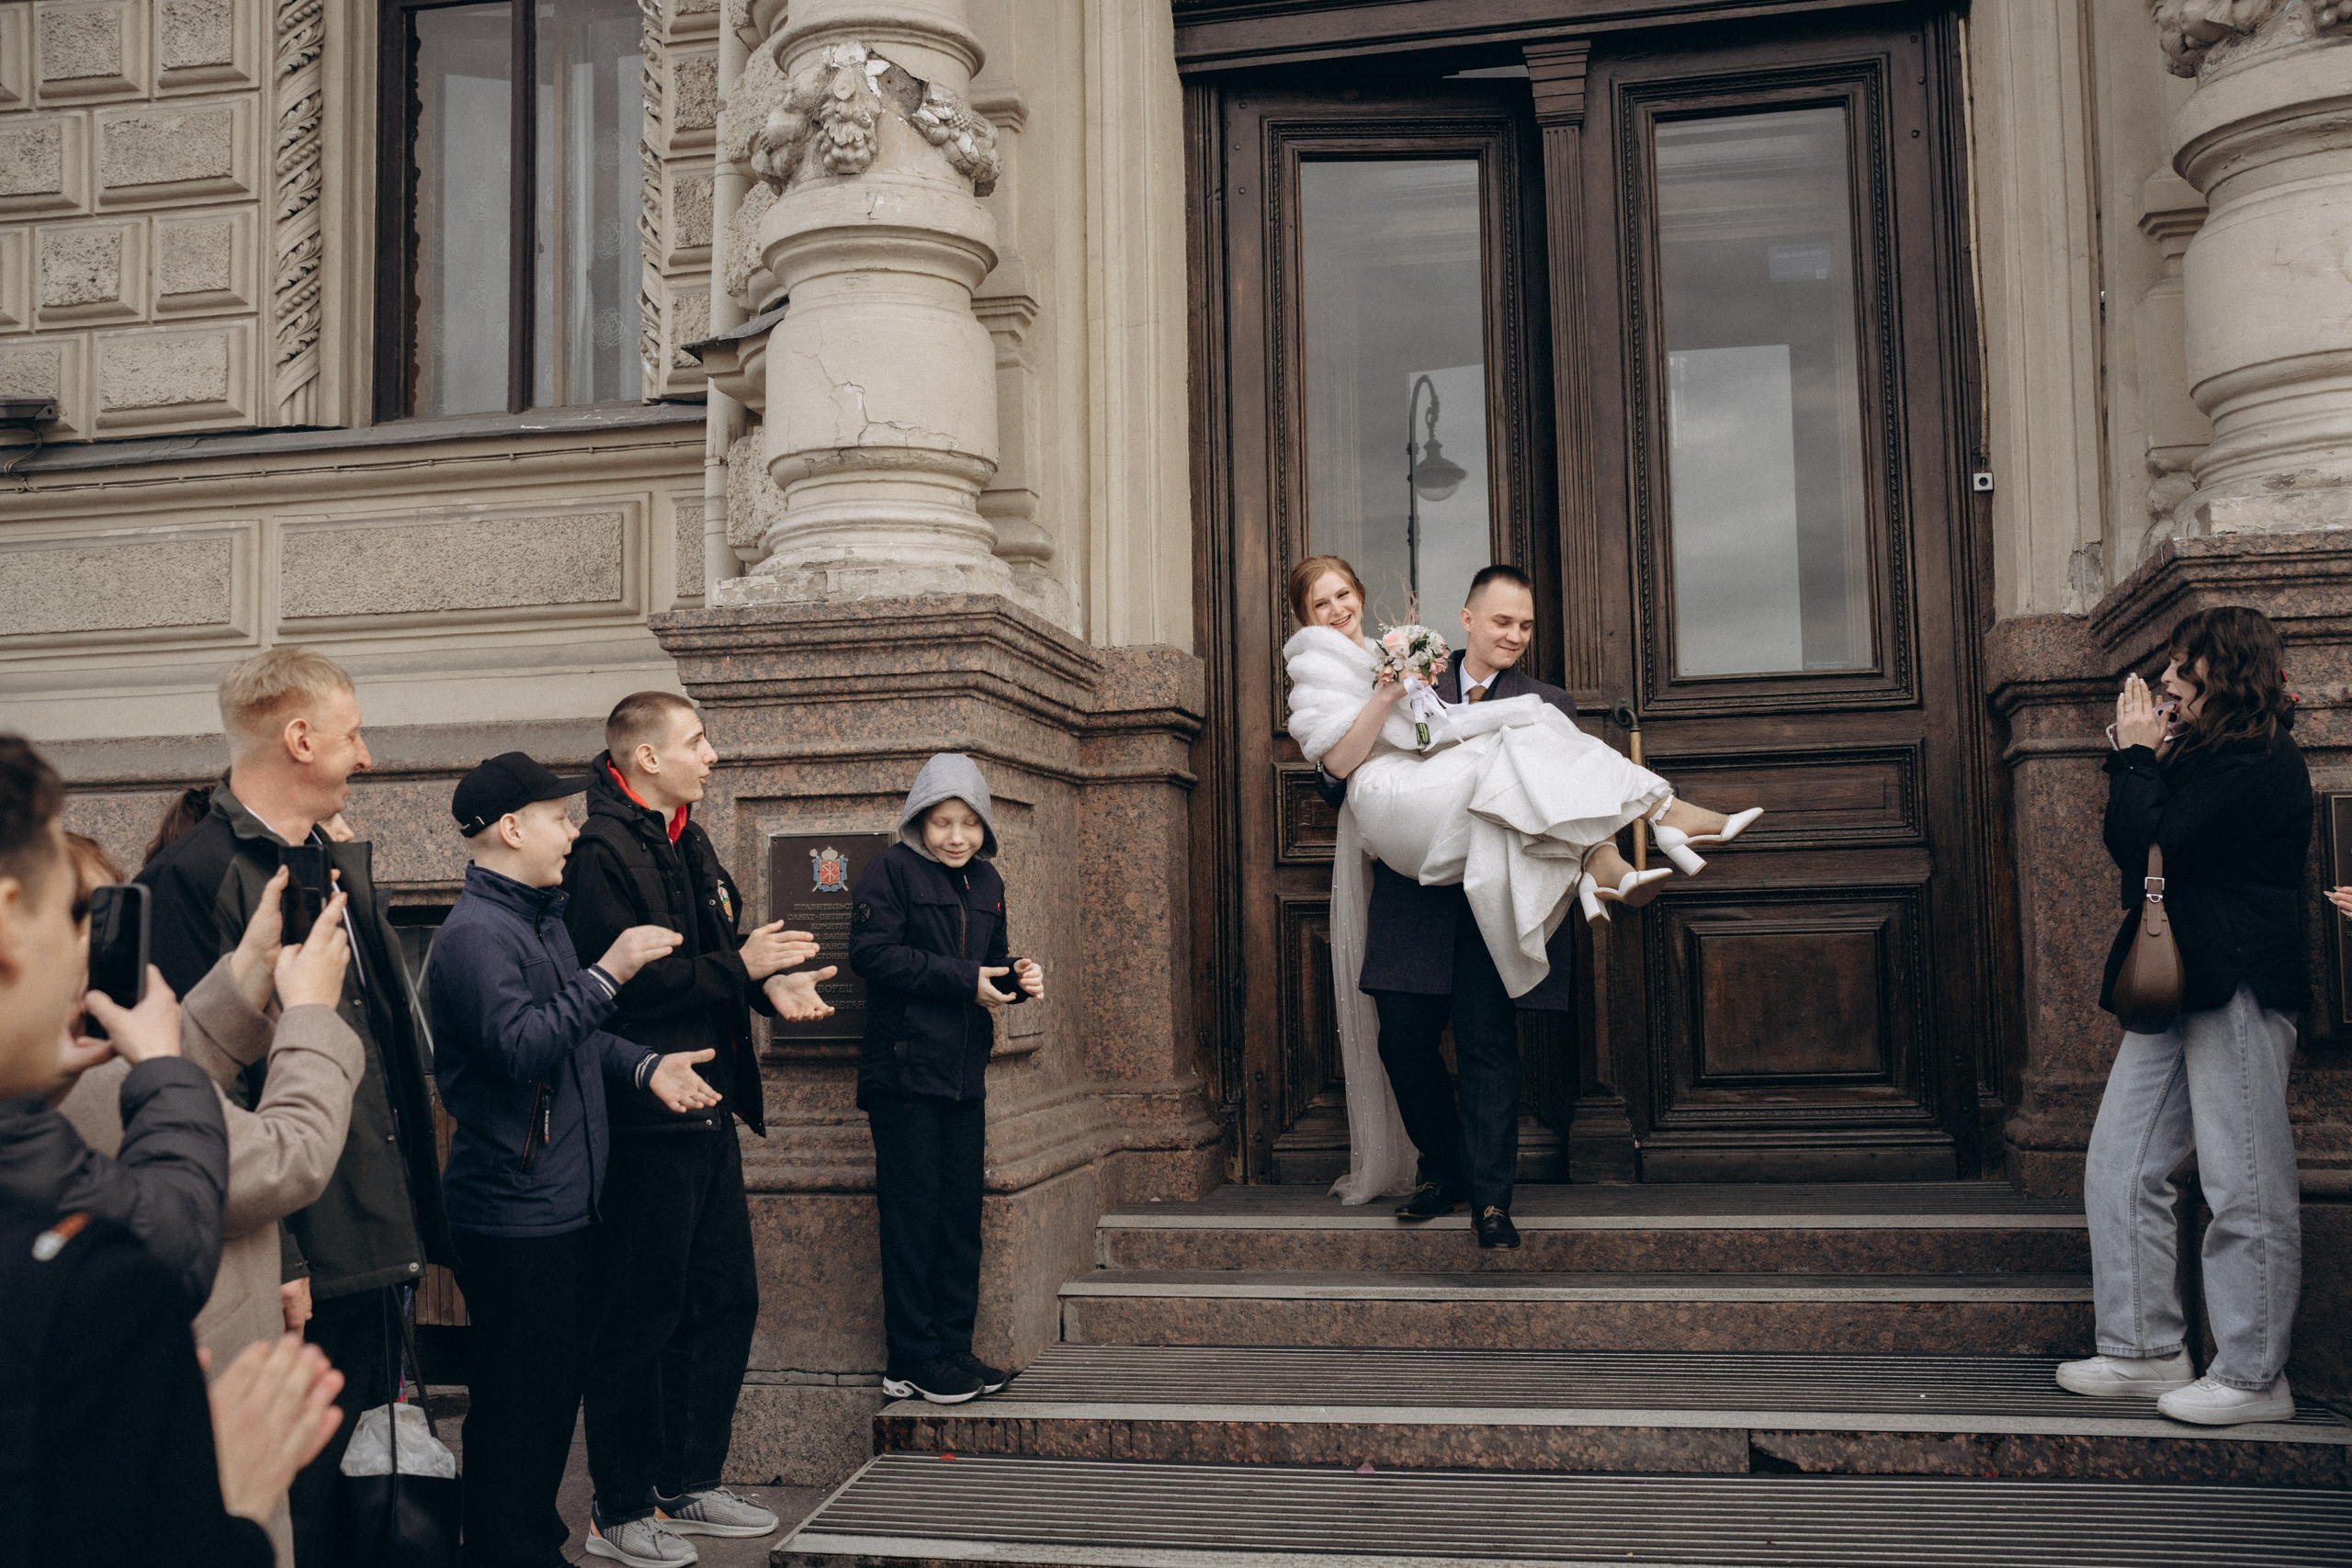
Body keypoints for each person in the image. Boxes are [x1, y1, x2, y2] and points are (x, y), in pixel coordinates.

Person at [1297, 560, 1760, 1239]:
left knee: (1489, 1044)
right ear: (1467, 620)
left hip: (1498, 894)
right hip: (1413, 896)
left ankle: (1491, 1201)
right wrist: (1392, 700)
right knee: (1402, 1042)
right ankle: (1446, 1170)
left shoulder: (1549, 703)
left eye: (1525, 625)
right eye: (1503, 621)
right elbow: (1337, 784)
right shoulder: (1409, 672)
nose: (1514, 635)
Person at [136, 648, 451, 1565]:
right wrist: (287, 1252)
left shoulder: (330, 860)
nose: (369, 756)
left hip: (367, 1230)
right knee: (295, 1501)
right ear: (300, 736)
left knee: (353, 1490)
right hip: (296, 1250)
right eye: (353, 735)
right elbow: (198, 1076)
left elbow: (382, 1048)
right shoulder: (197, 875)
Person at [0, 733, 345, 1567]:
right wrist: (308, 1015)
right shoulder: (85, 1287)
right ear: (11, 921)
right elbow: (250, 1170)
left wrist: (241, 980)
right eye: (78, 913)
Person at [431, 751, 752, 1568]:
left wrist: (646, 1067)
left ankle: (529, 1541)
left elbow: (576, 1039)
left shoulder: (535, 915)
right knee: (518, 1403)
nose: (571, 832)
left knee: (544, 1397)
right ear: (511, 828)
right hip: (512, 1206)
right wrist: (611, 971)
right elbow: (520, 1046)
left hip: (558, 1196)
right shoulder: (476, 933)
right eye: (557, 818)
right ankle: (507, 1550)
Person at [563, 693, 834, 1566]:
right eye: (696, 741)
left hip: (708, 1110)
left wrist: (763, 982)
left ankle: (685, 1482)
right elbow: (622, 988)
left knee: (722, 1299)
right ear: (645, 757)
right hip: (644, 1121)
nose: (713, 754)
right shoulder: (599, 850)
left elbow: (709, 952)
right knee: (640, 1314)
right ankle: (619, 1505)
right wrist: (737, 965)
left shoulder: (687, 832)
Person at [2057, 605, 2312, 1426]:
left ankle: (2252, 1373)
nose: (2166, 679)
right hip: (2173, 983)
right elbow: (2133, 845)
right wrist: (2140, 759)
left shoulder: (2262, 758)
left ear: (2223, 670)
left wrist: (2139, 759)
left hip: (2234, 979)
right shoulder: (2193, 754)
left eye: (2181, 665)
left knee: (2245, 1181)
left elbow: (2168, 839)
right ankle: (2143, 1348)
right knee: (2120, 1161)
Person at [849, 754, 1044, 1405]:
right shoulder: (891, 872)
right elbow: (872, 955)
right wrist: (969, 980)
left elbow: (990, 962)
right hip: (904, 1073)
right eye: (941, 821)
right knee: (914, 1216)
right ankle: (909, 1357)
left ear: (983, 825)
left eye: (966, 823)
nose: (954, 836)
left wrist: (1017, 976)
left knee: (961, 1214)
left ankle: (953, 1348)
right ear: (918, 820)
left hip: (964, 1074)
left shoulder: (987, 880)